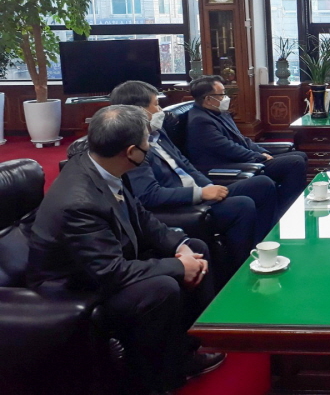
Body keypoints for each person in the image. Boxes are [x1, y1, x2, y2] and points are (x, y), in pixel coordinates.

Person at [27, 105, 225, 394]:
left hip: (104, 260)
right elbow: (110, 272)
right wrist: (179, 267)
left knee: (194, 246)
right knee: (161, 287)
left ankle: (185, 350)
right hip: (72, 285)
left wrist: (180, 247)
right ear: (131, 151)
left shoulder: (104, 165)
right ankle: (157, 382)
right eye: (146, 143)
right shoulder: (79, 201)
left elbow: (142, 217)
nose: (150, 147)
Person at [110, 80, 280, 269]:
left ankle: (264, 245)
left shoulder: (158, 133)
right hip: (181, 205)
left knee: (262, 184)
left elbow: (185, 164)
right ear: (138, 111)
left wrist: (208, 186)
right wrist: (200, 194)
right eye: (156, 105)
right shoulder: (133, 149)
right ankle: (242, 268)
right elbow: (149, 195)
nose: (160, 110)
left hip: (200, 191)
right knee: (242, 205)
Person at [185, 75, 308, 214]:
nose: (226, 98)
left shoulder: (218, 112)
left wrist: (262, 152)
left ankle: (283, 205)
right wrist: (259, 157)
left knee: (300, 155)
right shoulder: (200, 121)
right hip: (229, 165)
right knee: (295, 162)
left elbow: (242, 139)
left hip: (242, 158)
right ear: (208, 99)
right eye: (222, 94)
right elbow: (228, 148)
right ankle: (286, 211)